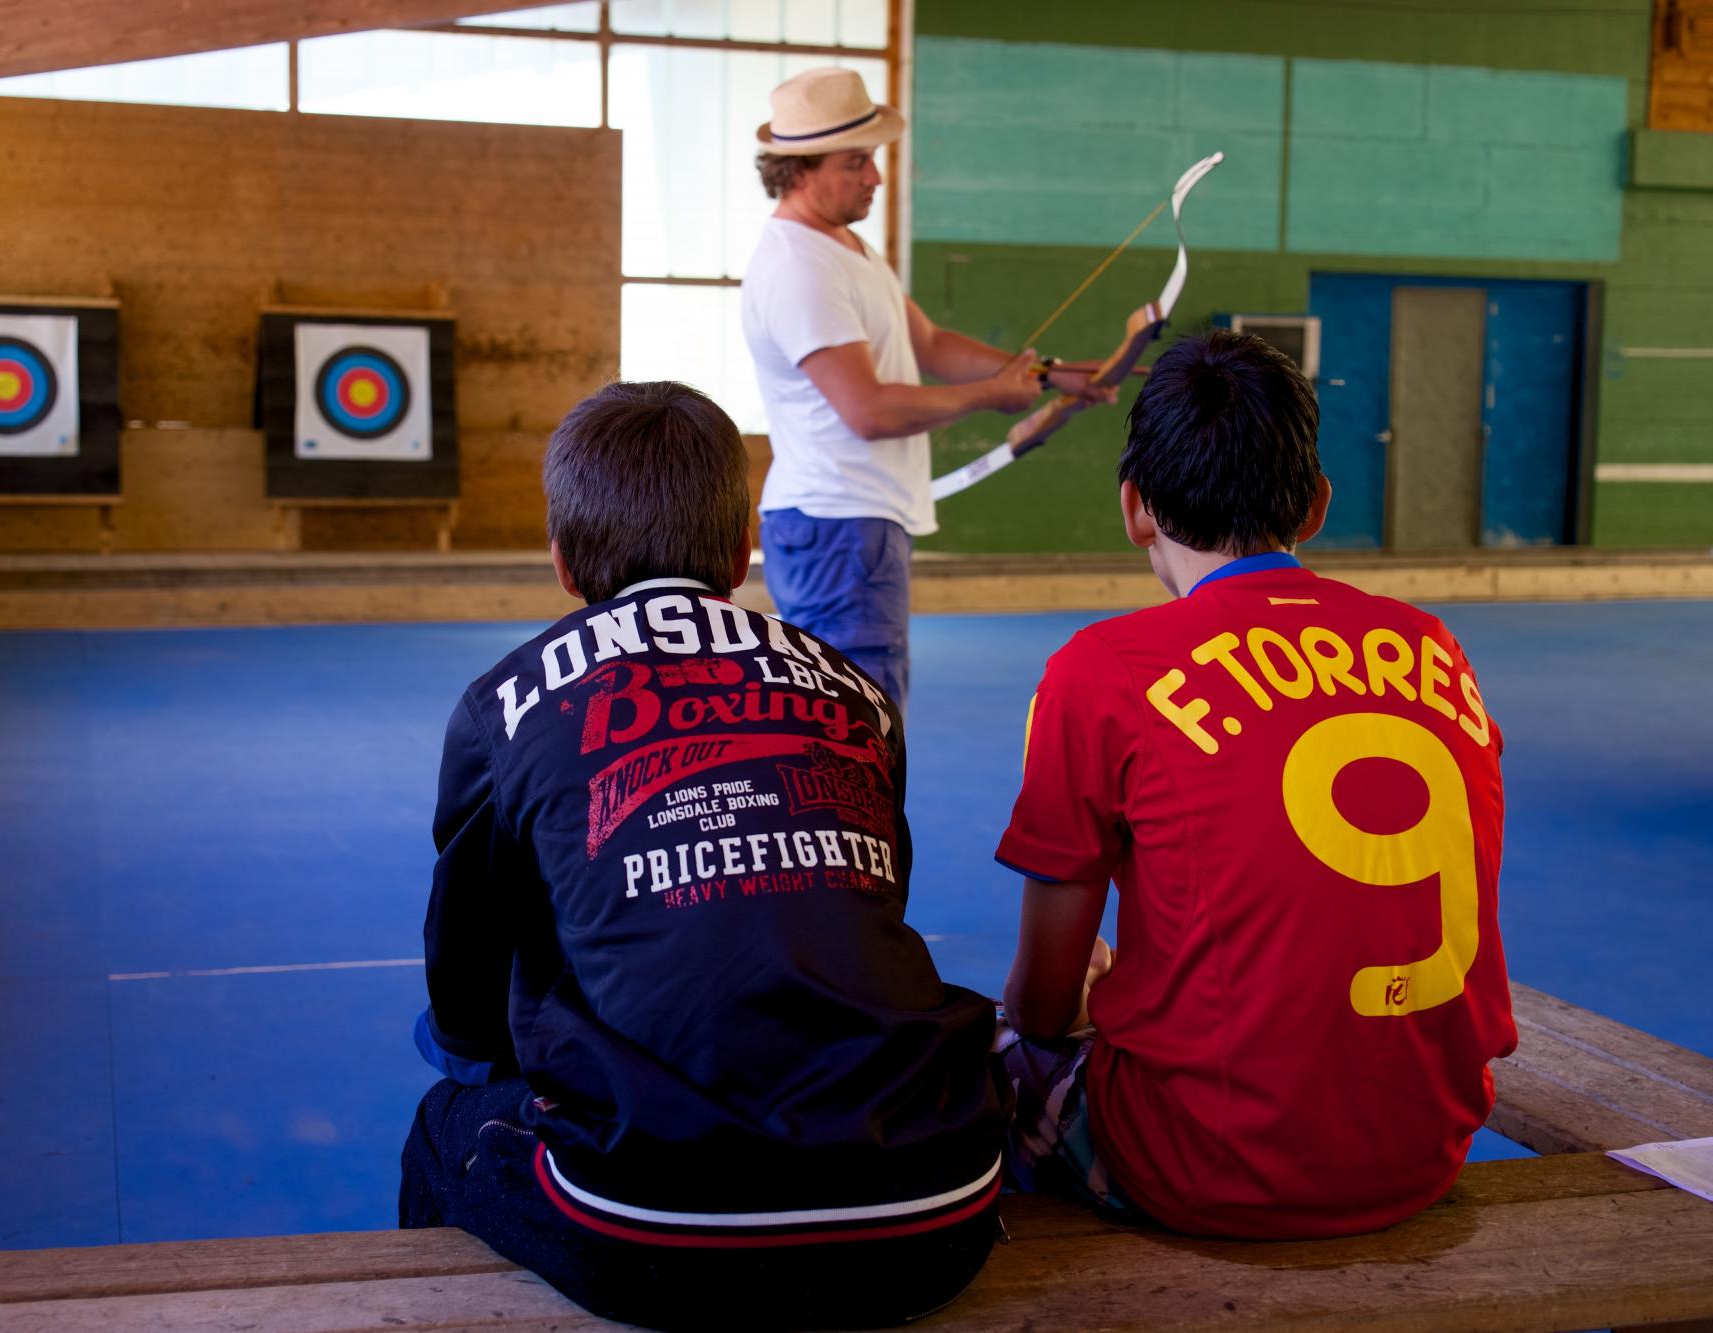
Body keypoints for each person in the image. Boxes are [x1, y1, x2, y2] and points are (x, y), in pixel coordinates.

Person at [399, 381, 1008, 1330]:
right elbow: (864, 900)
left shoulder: (505, 701)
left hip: (661, 1240)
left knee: (444, 1119)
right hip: (934, 1208)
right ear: (738, 552)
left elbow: (466, 993)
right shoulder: (855, 688)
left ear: (562, 563)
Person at [992, 330, 1517, 1239]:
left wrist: (1085, 991)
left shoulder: (1101, 670)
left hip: (1202, 1165)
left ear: (1134, 508)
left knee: (977, 1050)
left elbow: (1040, 1005)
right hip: (1427, 1143)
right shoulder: (1434, 647)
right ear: (1315, 505)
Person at [741, 67, 1113, 710]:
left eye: (873, 160)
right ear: (800, 168)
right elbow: (869, 409)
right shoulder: (800, 266)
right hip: (840, 527)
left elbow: (931, 343)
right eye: (857, 162)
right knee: (864, 725)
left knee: (859, 719)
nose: (876, 178)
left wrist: (1046, 372)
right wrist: (995, 395)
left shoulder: (843, 246)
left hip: (852, 525)